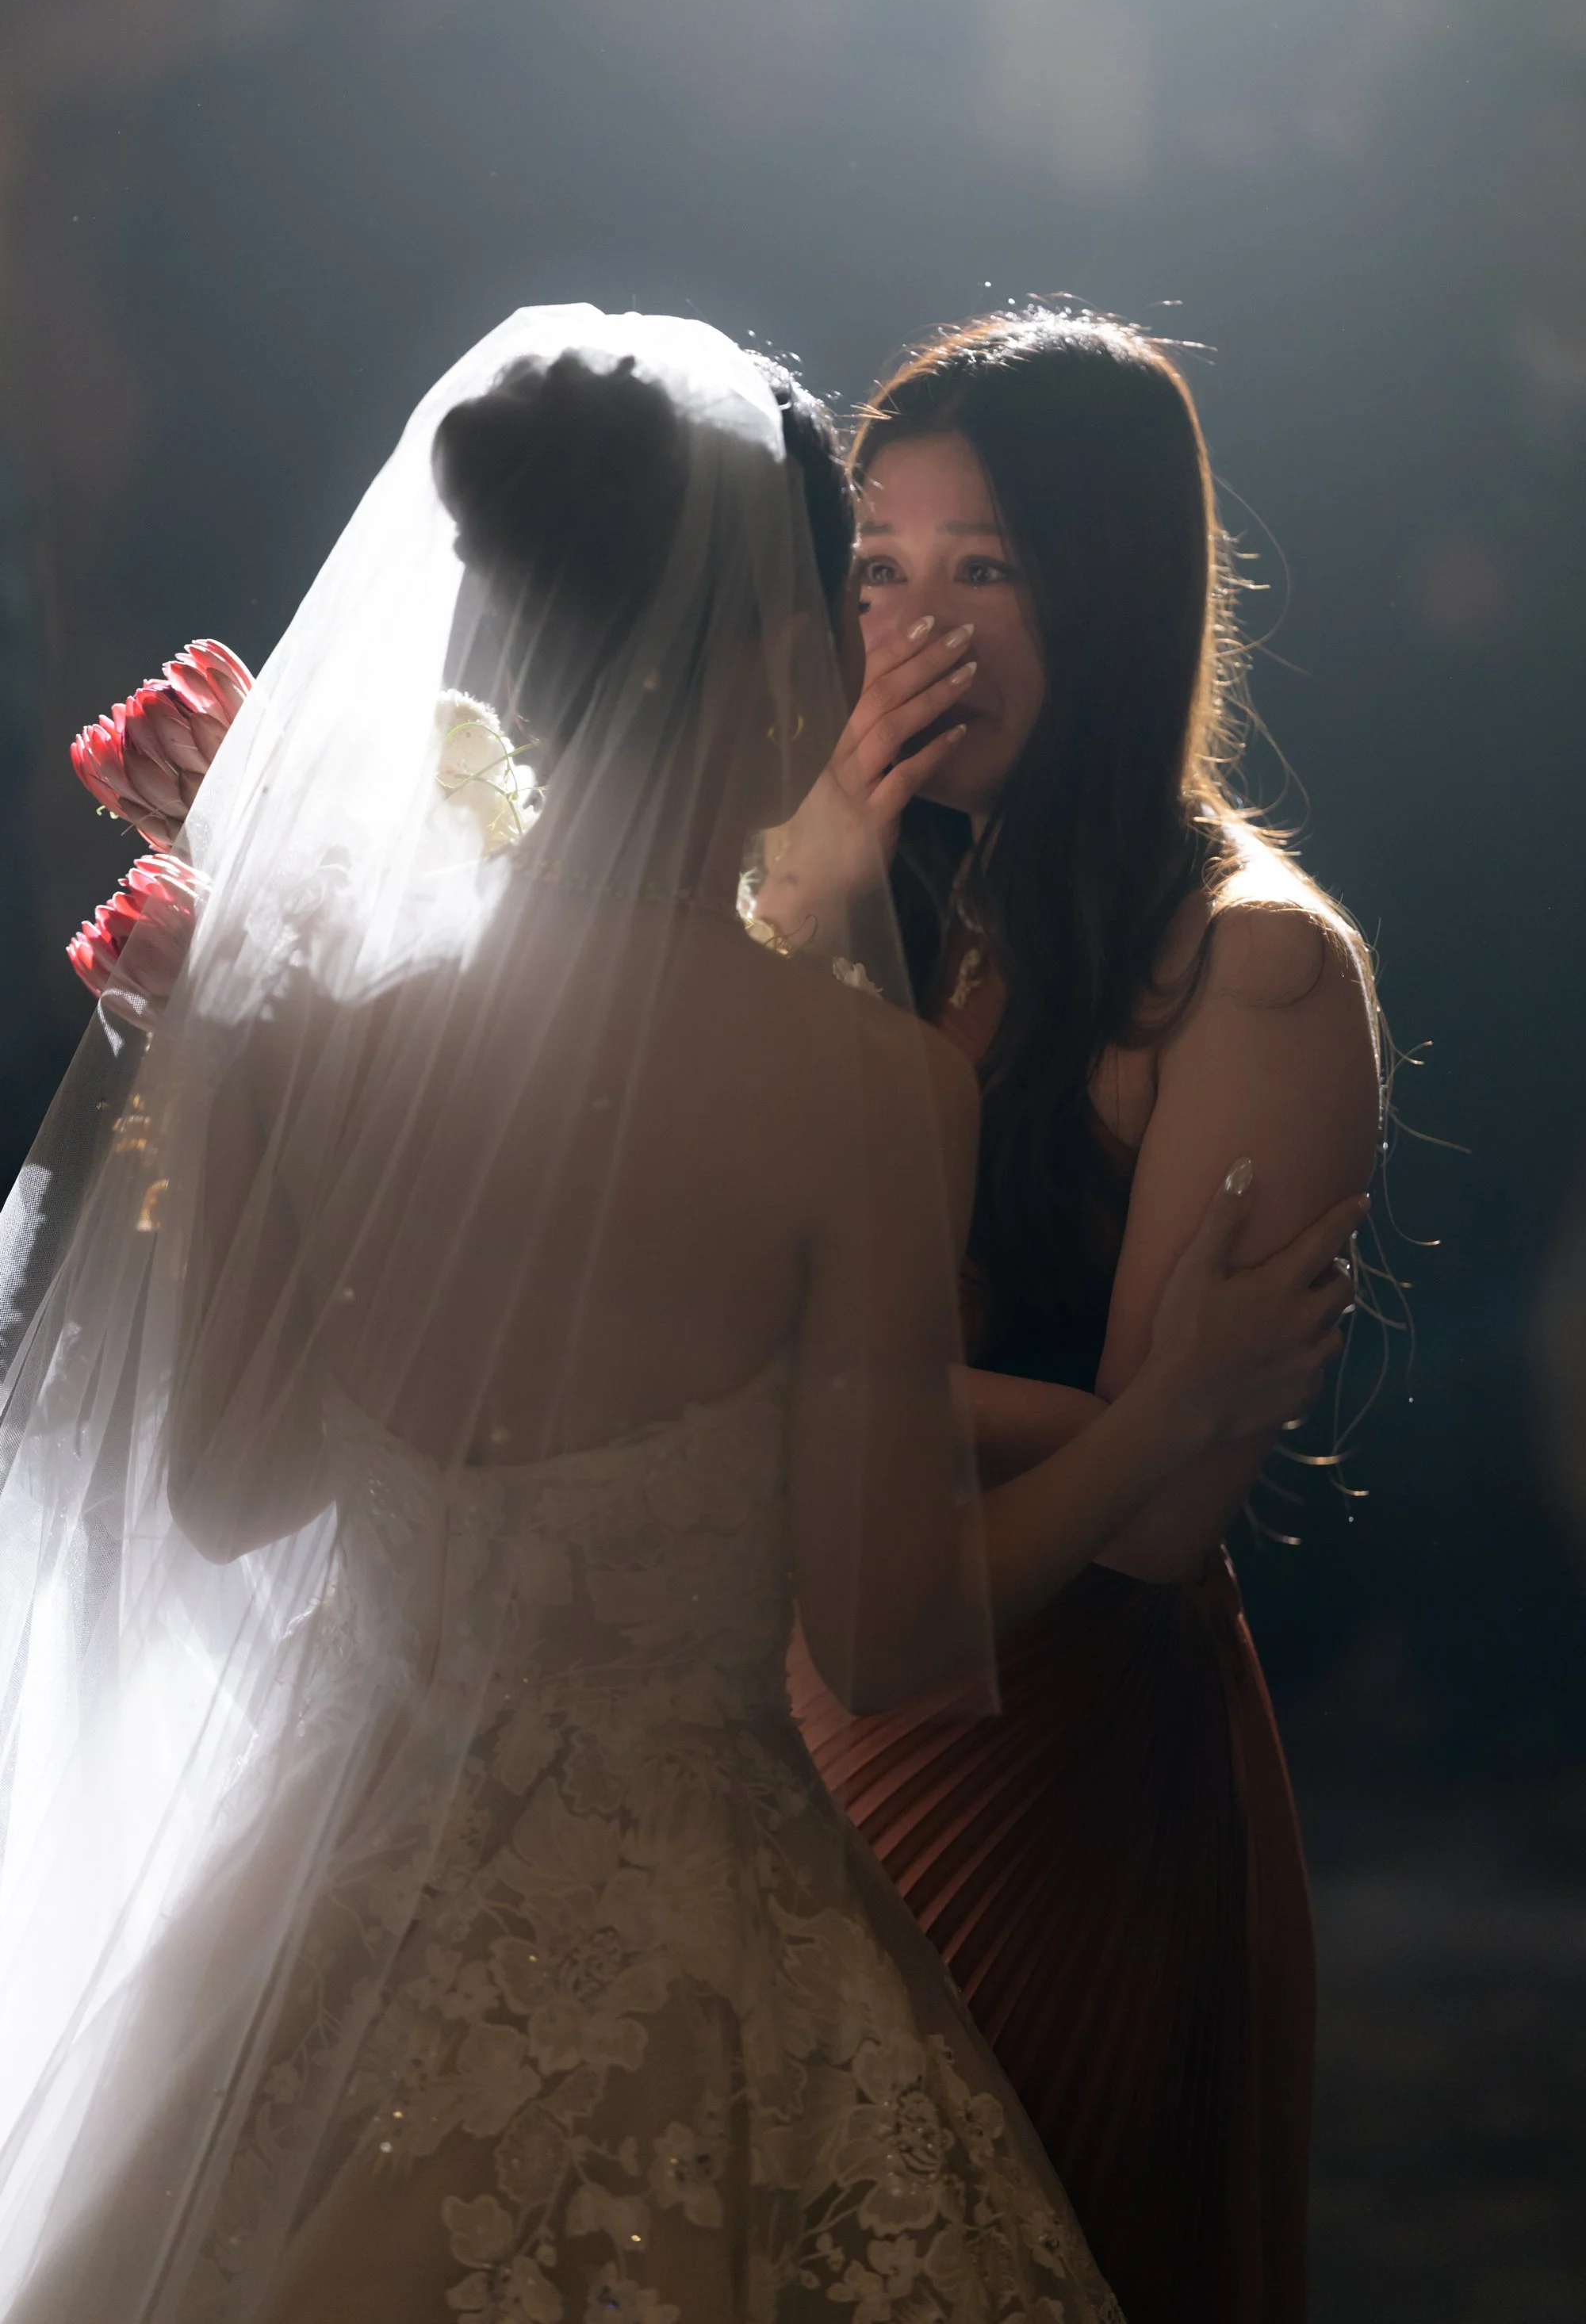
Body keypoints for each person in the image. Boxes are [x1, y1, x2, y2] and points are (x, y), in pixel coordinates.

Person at [0, 307, 1357, 2323]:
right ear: (772, 646)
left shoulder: (309, 1041)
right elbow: (889, 1634)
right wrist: (1150, 1426)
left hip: (333, 1896)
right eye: (858, 590)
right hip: (696, 1922)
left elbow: (221, 1497)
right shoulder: (857, 1084)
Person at [768, 309, 1383, 2324]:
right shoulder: (871, 894)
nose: (916, 629)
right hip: (805, 1698)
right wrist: (1143, 1396)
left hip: (1061, 1761)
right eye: (879, 566)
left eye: (988, 568)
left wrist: (786, 1369)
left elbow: (1159, 1516)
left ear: (1109, 596)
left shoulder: (1251, 967)